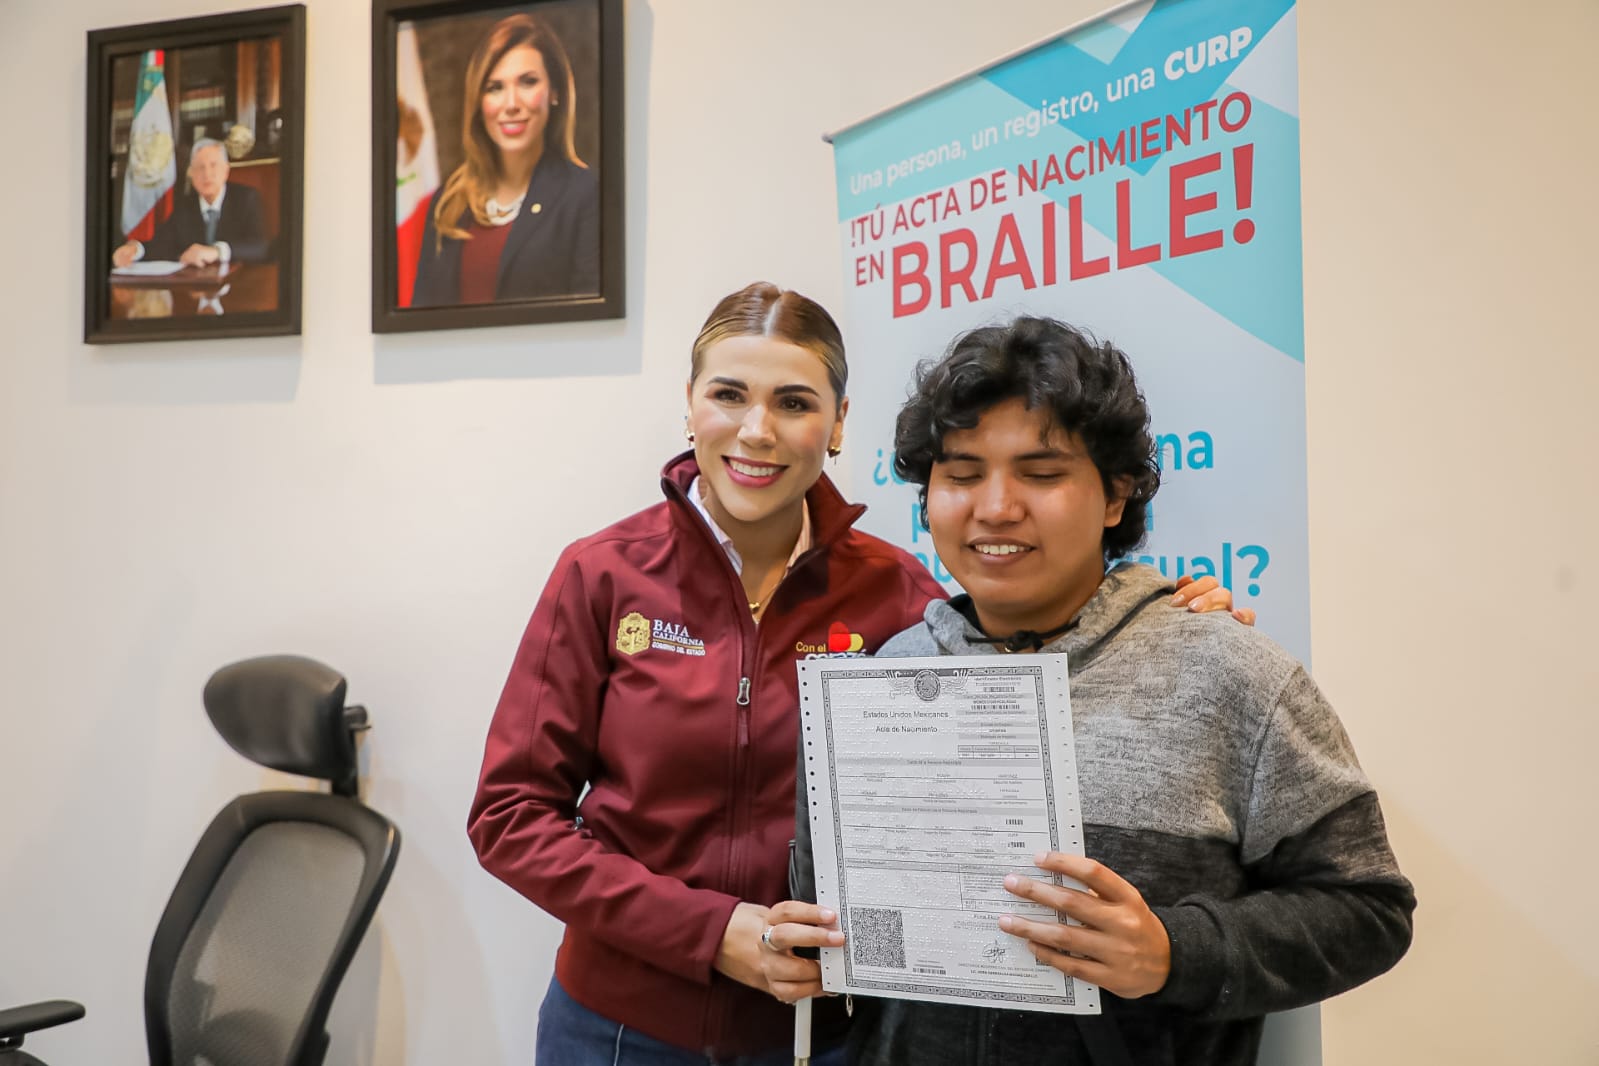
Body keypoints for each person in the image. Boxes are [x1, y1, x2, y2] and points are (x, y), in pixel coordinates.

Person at [466, 285, 1242, 1065]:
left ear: (837, 424)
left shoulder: (899, 591)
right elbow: (509, 816)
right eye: (728, 395)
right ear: (690, 408)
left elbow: (1035, 646)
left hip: (822, 1038)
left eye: (794, 401)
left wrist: (1161, 613)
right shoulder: (602, 576)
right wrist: (709, 933)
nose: (756, 430)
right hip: (617, 1028)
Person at [771, 316, 1415, 1066]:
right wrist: (812, 943)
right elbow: (834, 917)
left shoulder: (1227, 674)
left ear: (1114, 498)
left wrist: (1176, 952)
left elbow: (1369, 910)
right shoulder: (886, 678)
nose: (996, 506)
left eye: (1041, 474)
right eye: (962, 472)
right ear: (926, 497)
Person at [411, 12, 598, 307]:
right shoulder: (448, 202)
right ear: (479, 101)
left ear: (555, 92)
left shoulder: (585, 194)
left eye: (527, 82)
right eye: (495, 88)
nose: (511, 104)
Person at [111, 139, 269, 268]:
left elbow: (260, 247)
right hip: (192, 291)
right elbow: (162, 244)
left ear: (225, 171)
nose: (207, 174)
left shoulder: (246, 198)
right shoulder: (184, 206)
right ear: (192, 175)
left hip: (237, 288)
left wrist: (216, 251)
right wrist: (135, 249)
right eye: (200, 168)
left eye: (213, 166)